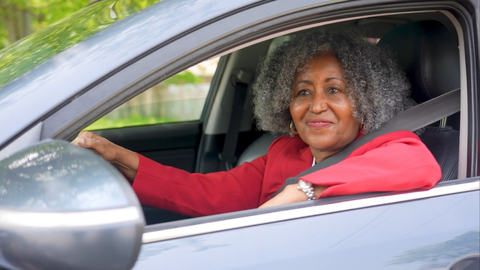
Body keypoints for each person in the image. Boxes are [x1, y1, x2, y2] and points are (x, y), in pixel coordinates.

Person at [73, 29, 441, 217]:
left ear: (366, 98)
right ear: (285, 104)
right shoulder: (285, 152)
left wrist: (301, 191)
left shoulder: (390, 145)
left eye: (335, 90)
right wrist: (119, 158)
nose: (316, 106)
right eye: (302, 92)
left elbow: (418, 164)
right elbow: (206, 193)